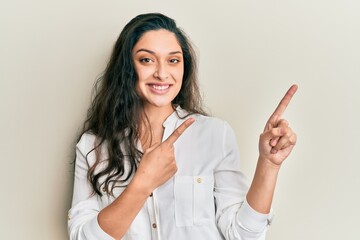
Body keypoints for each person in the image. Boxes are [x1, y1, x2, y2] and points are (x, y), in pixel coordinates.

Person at [67, 13, 298, 240]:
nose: (162, 73)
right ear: (127, 67)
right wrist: (143, 183)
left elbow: (243, 236)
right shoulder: (93, 145)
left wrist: (268, 164)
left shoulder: (215, 134)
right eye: (147, 59)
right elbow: (82, 237)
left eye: (173, 60)